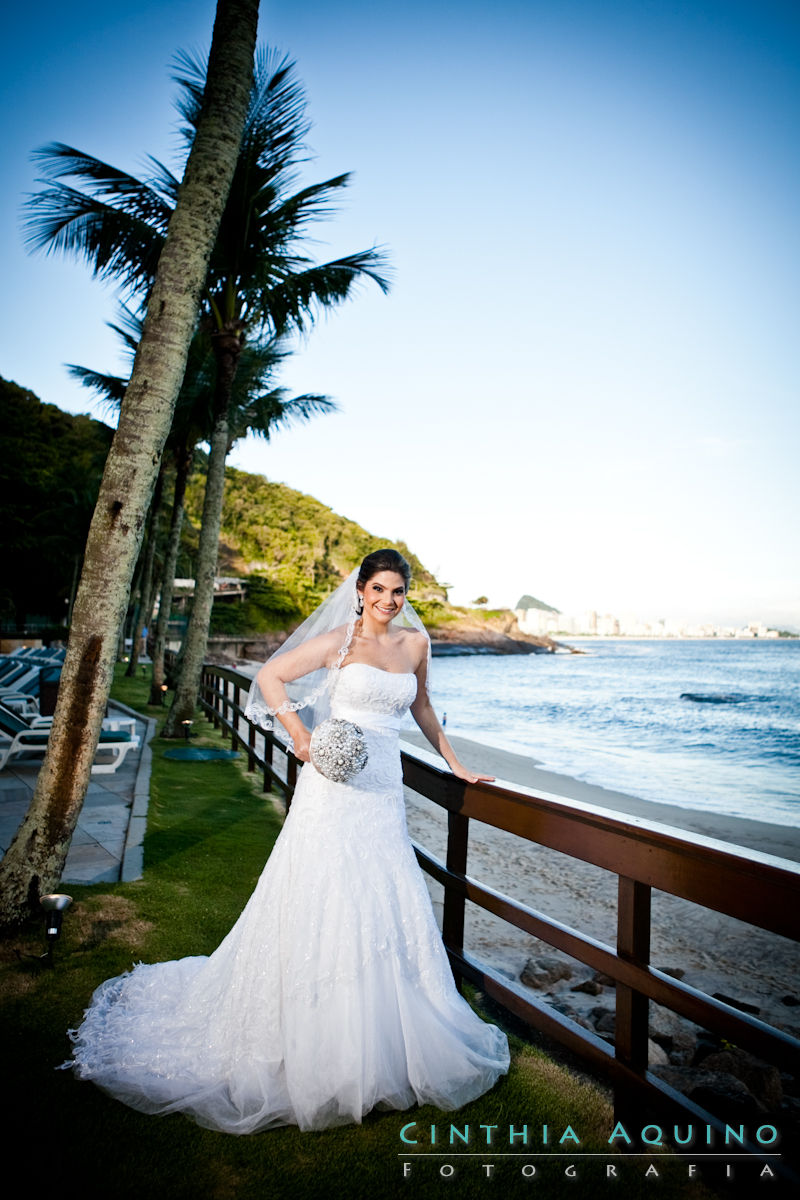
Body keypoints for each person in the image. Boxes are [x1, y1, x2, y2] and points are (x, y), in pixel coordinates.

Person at [60, 549, 510, 1134]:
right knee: (323, 890)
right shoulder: (339, 643)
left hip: (382, 791)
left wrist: (456, 764)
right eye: (377, 589)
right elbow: (271, 676)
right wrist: (302, 736)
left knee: (381, 889)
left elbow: (420, 706)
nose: (387, 601)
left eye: (397, 591)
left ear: (406, 596)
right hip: (332, 788)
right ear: (360, 590)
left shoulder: (416, 647)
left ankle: (383, 1034)